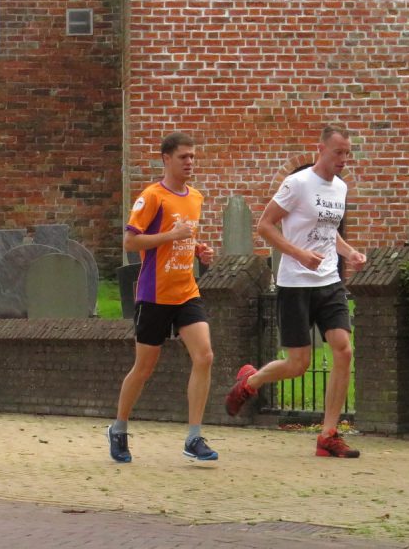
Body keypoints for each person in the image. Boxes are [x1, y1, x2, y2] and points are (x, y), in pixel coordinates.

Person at [224, 125, 368, 458]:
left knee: (343, 350)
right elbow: (264, 226)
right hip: (295, 283)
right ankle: (251, 381)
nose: (343, 159)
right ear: (321, 149)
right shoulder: (297, 184)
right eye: (338, 152)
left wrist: (350, 253)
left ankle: (328, 434)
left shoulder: (341, 188)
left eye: (347, 153)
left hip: (329, 281)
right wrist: (299, 254)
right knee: (298, 364)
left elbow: (329, 232)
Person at [108, 132, 217, 463]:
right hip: (154, 295)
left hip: (186, 291)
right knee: (143, 367)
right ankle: (119, 428)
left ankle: (194, 437)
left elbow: (185, 239)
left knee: (205, 356)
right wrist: (171, 235)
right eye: (183, 157)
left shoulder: (195, 197)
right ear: (166, 159)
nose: (189, 162)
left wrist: (200, 251)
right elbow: (130, 243)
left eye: (193, 157)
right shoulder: (152, 196)